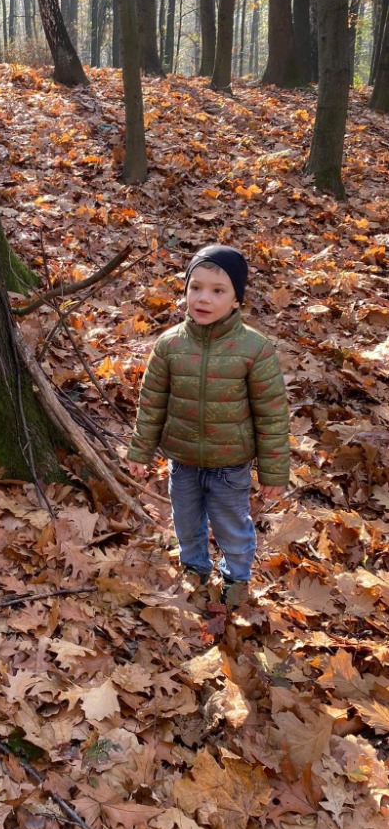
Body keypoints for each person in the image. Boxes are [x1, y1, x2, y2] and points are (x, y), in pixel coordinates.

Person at [126, 245, 290, 607]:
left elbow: (272, 415)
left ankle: (236, 579)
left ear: (236, 300)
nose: (203, 298)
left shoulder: (254, 349)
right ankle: (194, 568)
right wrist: (140, 451)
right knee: (186, 522)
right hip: (182, 461)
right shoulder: (169, 345)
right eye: (195, 287)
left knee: (232, 527)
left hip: (230, 466)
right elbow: (152, 403)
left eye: (218, 291)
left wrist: (274, 472)